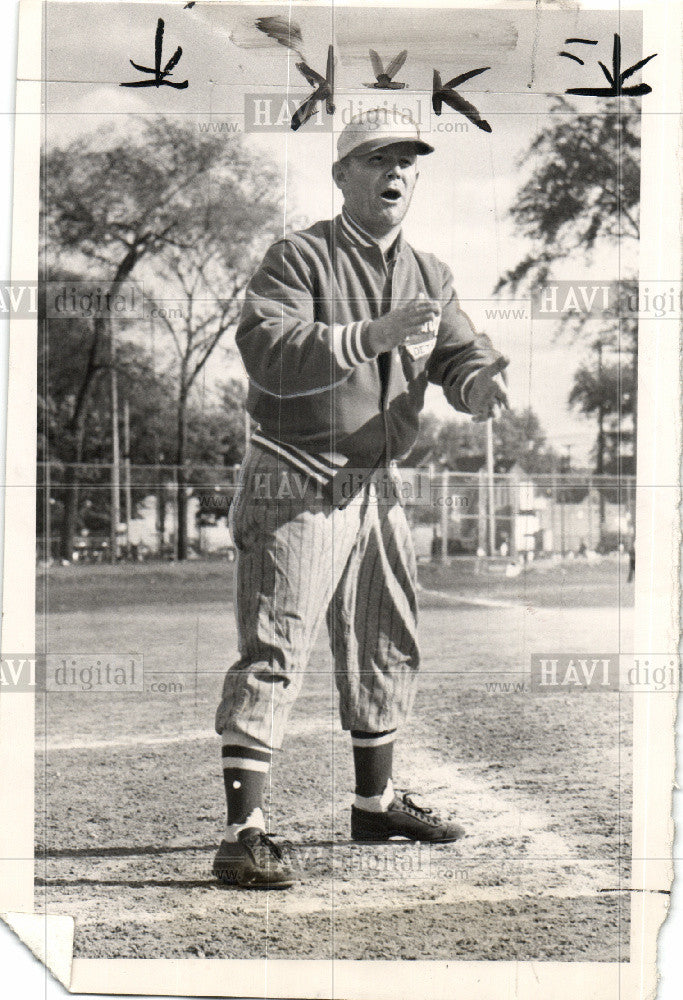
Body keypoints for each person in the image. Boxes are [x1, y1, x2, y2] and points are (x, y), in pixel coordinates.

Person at [213, 111, 509, 888]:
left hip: (376, 480)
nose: (397, 171)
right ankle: (244, 831)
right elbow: (266, 350)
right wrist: (367, 335)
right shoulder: (299, 256)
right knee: (276, 646)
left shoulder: (430, 272)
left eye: (409, 159)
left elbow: (456, 350)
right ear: (342, 174)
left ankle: (373, 803)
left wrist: (475, 381)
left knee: (384, 641)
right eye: (379, 157)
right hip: (294, 472)